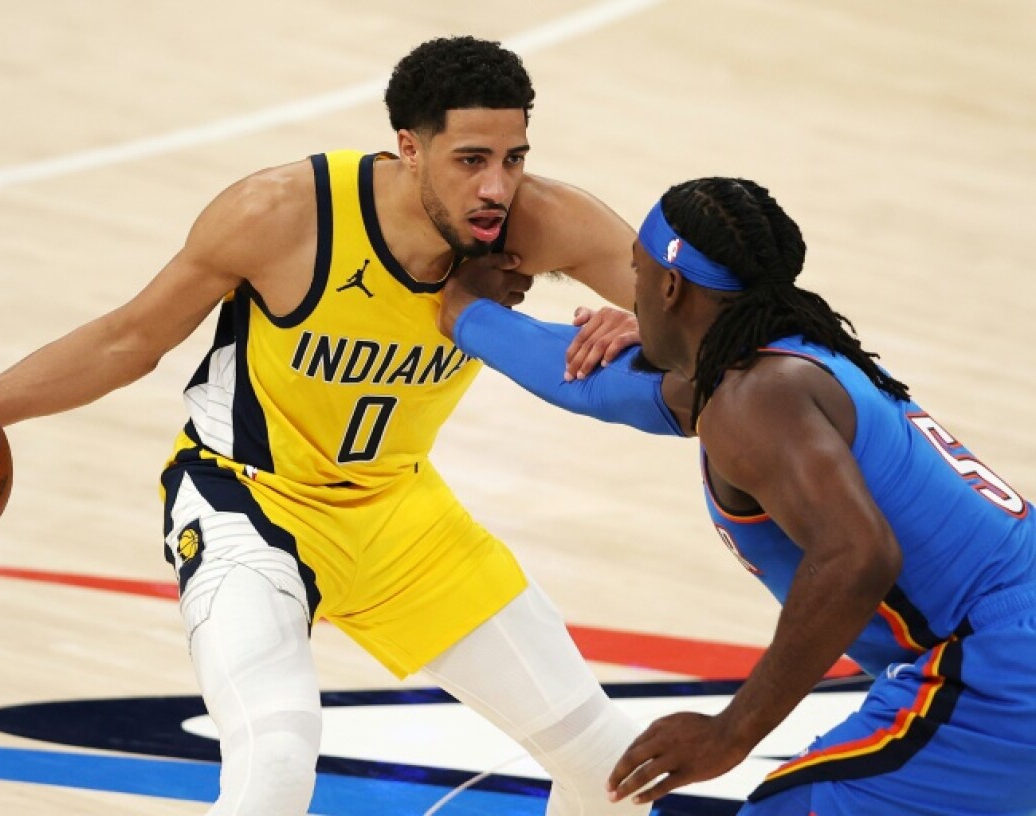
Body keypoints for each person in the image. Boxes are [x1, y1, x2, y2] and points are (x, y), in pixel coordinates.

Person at [0, 36, 653, 815]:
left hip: (397, 511)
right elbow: (130, 341)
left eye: (514, 157)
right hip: (248, 505)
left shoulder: (546, 221)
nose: (497, 186)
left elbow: (711, 319)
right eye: (470, 160)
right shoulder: (282, 212)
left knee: (615, 772)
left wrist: (647, 328)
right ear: (408, 148)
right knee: (276, 765)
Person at [438, 176, 1036, 814]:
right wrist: (462, 312)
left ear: (671, 288)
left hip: (995, 669)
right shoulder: (779, 358)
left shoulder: (755, 400)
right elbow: (593, 384)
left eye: (637, 276)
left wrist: (732, 732)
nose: (630, 298)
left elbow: (858, 556)